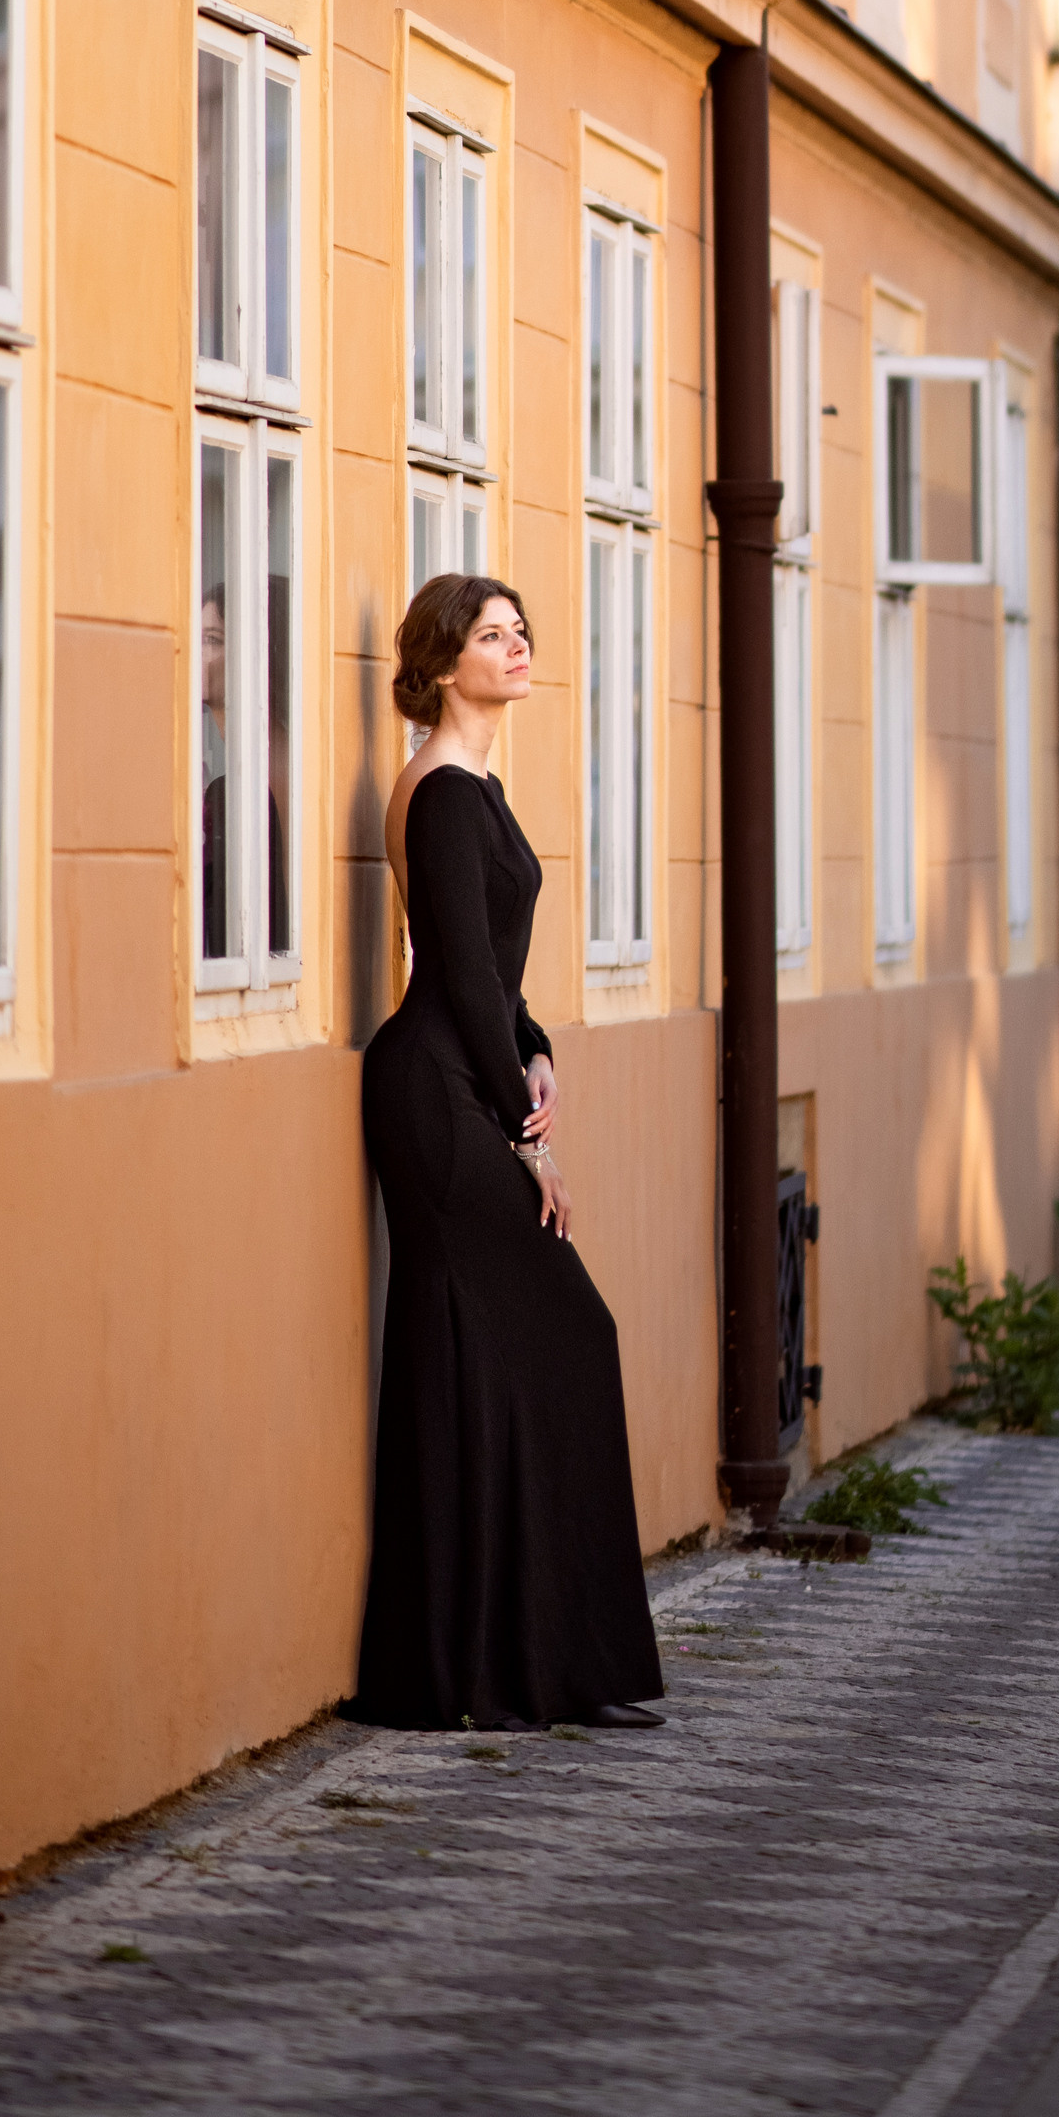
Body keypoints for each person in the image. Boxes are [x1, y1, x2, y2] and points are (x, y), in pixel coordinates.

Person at [352, 568, 665, 1730]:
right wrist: (530, 1144)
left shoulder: (476, 786)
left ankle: (500, 1665)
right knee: (567, 1331)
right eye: (494, 634)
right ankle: (498, 1663)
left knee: (474, 1360)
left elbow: (493, 972)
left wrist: (534, 1048)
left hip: (463, 1071)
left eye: (522, 629)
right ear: (441, 665)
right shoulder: (438, 791)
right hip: (431, 1095)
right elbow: (458, 973)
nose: (519, 645)